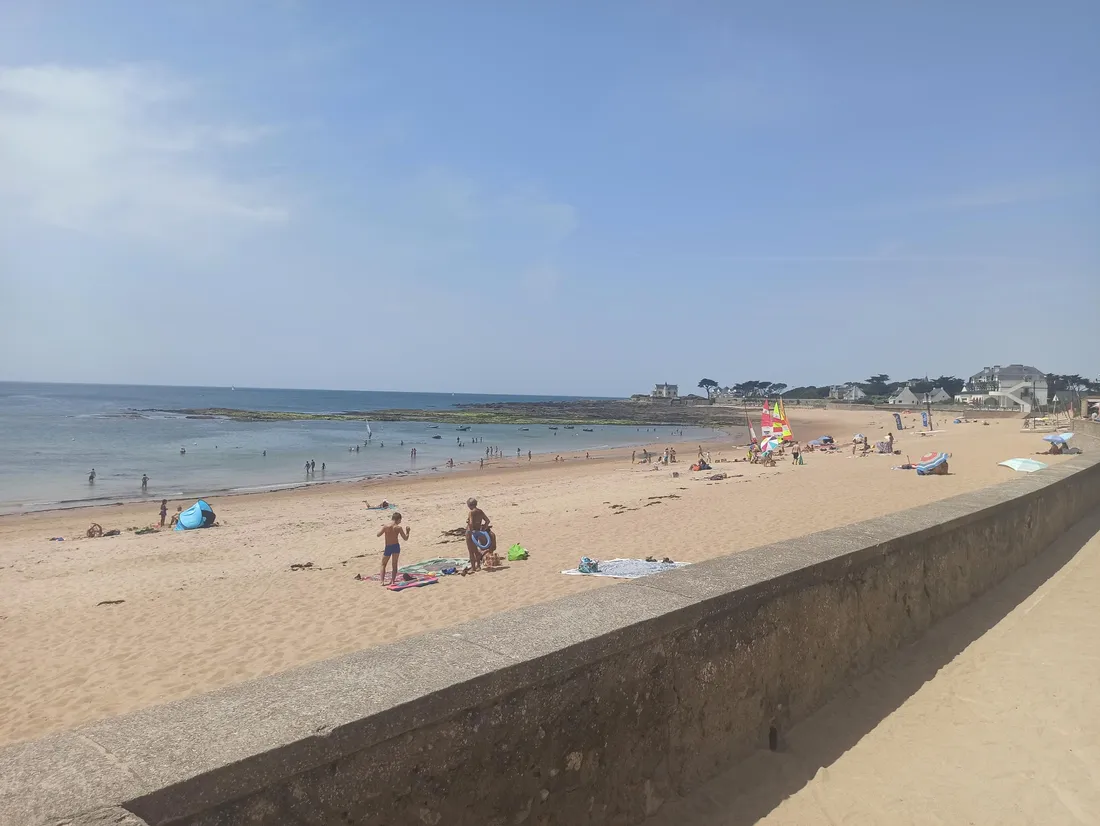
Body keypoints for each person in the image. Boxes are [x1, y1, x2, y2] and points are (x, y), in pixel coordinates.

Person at [377, 512, 410, 586]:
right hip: (396, 546)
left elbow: (378, 534)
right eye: (400, 520)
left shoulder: (386, 526)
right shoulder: (398, 528)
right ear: (398, 519)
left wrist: (383, 531)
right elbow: (405, 538)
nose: (400, 522)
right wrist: (408, 532)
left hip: (388, 547)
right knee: (394, 565)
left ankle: (382, 581)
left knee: (383, 564)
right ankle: (392, 581)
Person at [465, 498, 494, 571]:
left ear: (469, 505)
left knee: (471, 551)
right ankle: (478, 565)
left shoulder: (471, 512)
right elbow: (487, 521)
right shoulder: (480, 511)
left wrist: (471, 531)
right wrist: (483, 529)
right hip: (478, 532)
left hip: (471, 533)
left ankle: (473, 567)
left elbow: (471, 523)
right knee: (475, 550)